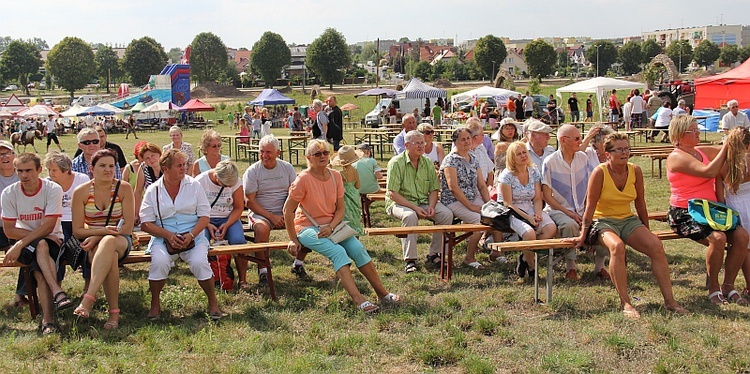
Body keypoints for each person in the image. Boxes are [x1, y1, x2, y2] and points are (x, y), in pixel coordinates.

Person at [567, 133, 689, 318]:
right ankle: (626, 303)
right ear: (608, 154)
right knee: (617, 247)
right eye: (619, 150)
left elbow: (641, 204)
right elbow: (589, 207)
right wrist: (583, 236)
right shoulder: (600, 172)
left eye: (627, 149)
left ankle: (670, 301)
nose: (624, 153)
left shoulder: (635, 170)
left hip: (628, 219)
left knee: (656, 245)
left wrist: (646, 231)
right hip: (603, 221)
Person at [283, 139, 401, 313]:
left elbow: (340, 208)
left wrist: (330, 226)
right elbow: (287, 211)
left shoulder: (336, 176)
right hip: (307, 227)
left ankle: (382, 293)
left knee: (358, 248)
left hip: (332, 226)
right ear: (309, 158)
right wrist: (293, 239)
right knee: (338, 252)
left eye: (325, 152)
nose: (323, 156)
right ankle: (359, 300)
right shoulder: (303, 179)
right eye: (317, 154)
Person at [666, 115, 749, 305]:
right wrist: (727, 145)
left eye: (697, 128)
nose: (698, 133)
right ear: (679, 135)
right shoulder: (676, 157)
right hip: (685, 212)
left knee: (742, 237)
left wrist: (736, 139)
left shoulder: (699, 151)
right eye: (692, 130)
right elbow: (709, 172)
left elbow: (728, 151)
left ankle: (728, 286)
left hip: (710, 211)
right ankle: (713, 287)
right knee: (718, 238)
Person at [140, 149, 224, 320]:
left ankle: (213, 303)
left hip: (193, 236)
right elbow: (146, 223)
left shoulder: (194, 185)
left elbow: (204, 216)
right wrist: (168, 235)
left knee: (200, 262)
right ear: (165, 169)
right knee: (160, 262)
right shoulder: (153, 190)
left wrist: (191, 235)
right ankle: (155, 304)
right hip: (164, 238)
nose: (184, 168)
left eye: (184, 164)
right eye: (179, 165)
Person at [1, 153, 69, 335]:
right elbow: (9, 230)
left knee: (41, 256)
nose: (24, 175)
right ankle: (56, 296)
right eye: (20, 171)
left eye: (29, 170)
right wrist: (24, 241)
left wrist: (18, 244)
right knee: (41, 248)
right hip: (32, 242)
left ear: (39, 170)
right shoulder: (9, 193)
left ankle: (48, 320)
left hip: (51, 239)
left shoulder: (52, 189)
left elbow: (49, 226)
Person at [70, 149, 135, 330]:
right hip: (94, 244)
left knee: (109, 243)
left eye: (111, 166)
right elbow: (77, 231)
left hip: (121, 240)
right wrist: (101, 234)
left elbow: (127, 228)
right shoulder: (81, 192)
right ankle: (114, 313)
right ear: (92, 168)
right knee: (110, 257)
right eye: (102, 166)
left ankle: (88, 298)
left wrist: (99, 234)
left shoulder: (124, 188)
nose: (107, 170)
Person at [542, 125, 608, 280]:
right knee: (569, 224)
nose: (581, 141)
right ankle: (571, 266)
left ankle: (600, 266)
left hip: (582, 208)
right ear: (563, 140)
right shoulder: (550, 162)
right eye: (577, 138)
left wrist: (587, 210)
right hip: (558, 210)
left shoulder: (583, 158)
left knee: (602, 223)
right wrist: (569, 212)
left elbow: (591, 187)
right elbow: (547, 196)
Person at [387, 130, 453, 272]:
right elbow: (392, 194)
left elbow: (434, 189)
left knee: (446, 214)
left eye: (422, 142)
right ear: (406, 145)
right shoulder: (396, 163)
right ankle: (410, 260)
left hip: (423, 201)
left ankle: (435, 254)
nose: (421, 146)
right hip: (400, 202)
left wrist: (431, 206)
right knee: (409, 216)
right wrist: (415, 208)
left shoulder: (428, 162)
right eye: (417, 143)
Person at [242, 135, 301, 280]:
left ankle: (298, 263)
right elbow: (249, 201)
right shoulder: (253, 171)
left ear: (278, 153)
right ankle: (263, 270)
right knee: (261, 229)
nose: (264, 155)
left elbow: (295, 194)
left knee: (305, 225)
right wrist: (271, 217)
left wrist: (287, 213)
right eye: (261, 151)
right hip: (261, 212)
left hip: (285, 211)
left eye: (268, 152)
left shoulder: (287, 168)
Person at [499, 142, 557, 280]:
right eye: (518, 154)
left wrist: (537, 213)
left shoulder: (533, 171)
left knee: (550, 228)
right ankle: (532, 267)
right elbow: (507, 203)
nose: (523, 156)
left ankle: (525, 256)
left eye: (524, 152)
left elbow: (537, 198)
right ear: (512, 158)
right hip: (512, 211)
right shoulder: (506, 175)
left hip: (531, 206)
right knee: (529, 234)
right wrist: (528, 218)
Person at [440, 127, 491, 270]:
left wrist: (489, 204)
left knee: (493, 215)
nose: (467, 141)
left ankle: (496, 253)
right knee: (477, 220)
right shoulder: (450, 160)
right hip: (453, 201)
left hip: (472, 197)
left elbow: (481, 184)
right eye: (463, 139)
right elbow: (453, 188)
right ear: (455, 142)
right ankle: (469, 257)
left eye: (468, 138)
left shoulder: (473, 157)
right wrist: (470, 206)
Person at [196, 159, 246, 289]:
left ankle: (242, 280)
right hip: (205, 218)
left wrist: (228, 224)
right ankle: (209, 280)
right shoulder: (200, 181)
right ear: (217, 178)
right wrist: (207, 224)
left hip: (228, 217)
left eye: (231, 185)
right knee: (202, 244)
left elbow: (239, 207)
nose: (229, 187)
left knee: (239, 241)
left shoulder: (236, 182)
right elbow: (193, 208)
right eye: (226, 185)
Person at [45, 151, 89, 280]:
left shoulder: (82, 179)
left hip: (79, 220)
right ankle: (57, 283)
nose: (50, 173)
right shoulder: (48, 183)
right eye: (49, 169)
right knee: (58, 247)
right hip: (58, 221)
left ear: (66, 170)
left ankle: (88, 282)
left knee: (87, 246)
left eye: (54, 170)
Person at [719, 127, 750, 303]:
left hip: (734, 206)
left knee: (743, 248)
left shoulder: (723, 165)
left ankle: (733, 284)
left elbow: (719, 197)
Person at [0, 141, 26, 307]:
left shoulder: (24, 175)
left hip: (21, 227)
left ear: (15, 156)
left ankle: (21, 293)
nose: (4, 157)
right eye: (0, 154)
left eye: (7, 153)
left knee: (34, 247)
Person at [331, 146, 364, 236]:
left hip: (345, 197)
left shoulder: (340, 174)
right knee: (355, 217)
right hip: (354, 195)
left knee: (346, 218)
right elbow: (358, 185)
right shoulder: (355, 170)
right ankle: (356, 238)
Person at [133, 143, 163, 225]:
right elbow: (138, 191)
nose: (151, 160)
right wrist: (136, 213)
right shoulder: (143, 168)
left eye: (153, 156)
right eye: (147, 158)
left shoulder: (167, 165)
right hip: (151, 204)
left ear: (159, 154)